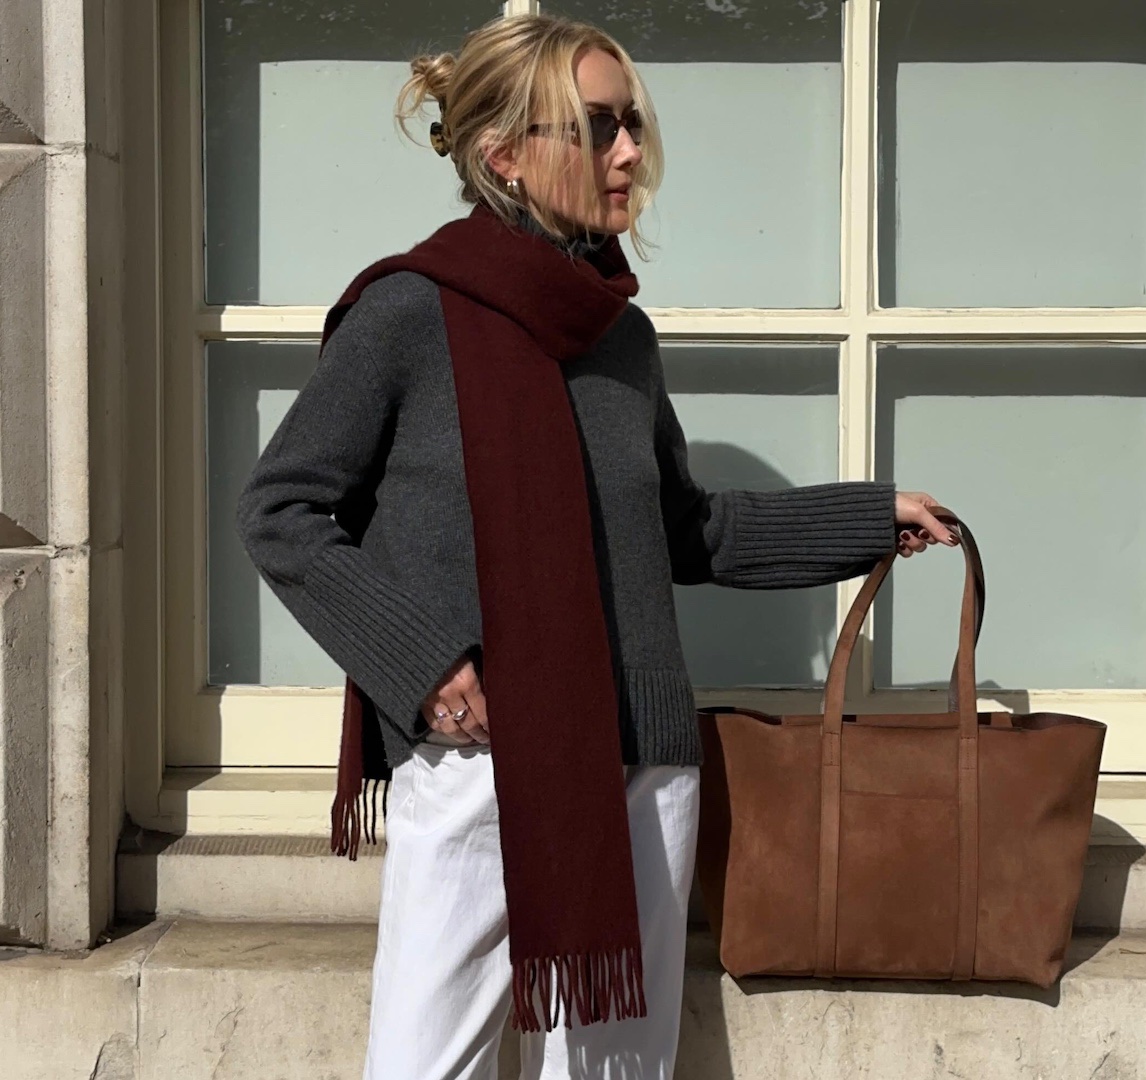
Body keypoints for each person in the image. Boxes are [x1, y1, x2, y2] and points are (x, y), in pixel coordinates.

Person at [235, 14, 957, 1079]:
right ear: (505, 156)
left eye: (631, 125)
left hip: (641, 760)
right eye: (597, 127)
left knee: (621, 1070)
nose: (628, 153)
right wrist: (424, 666)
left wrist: (867, 515)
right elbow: (283, 509)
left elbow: (686, 528)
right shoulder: (410, 311)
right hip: (482, 764)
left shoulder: (622, 338)